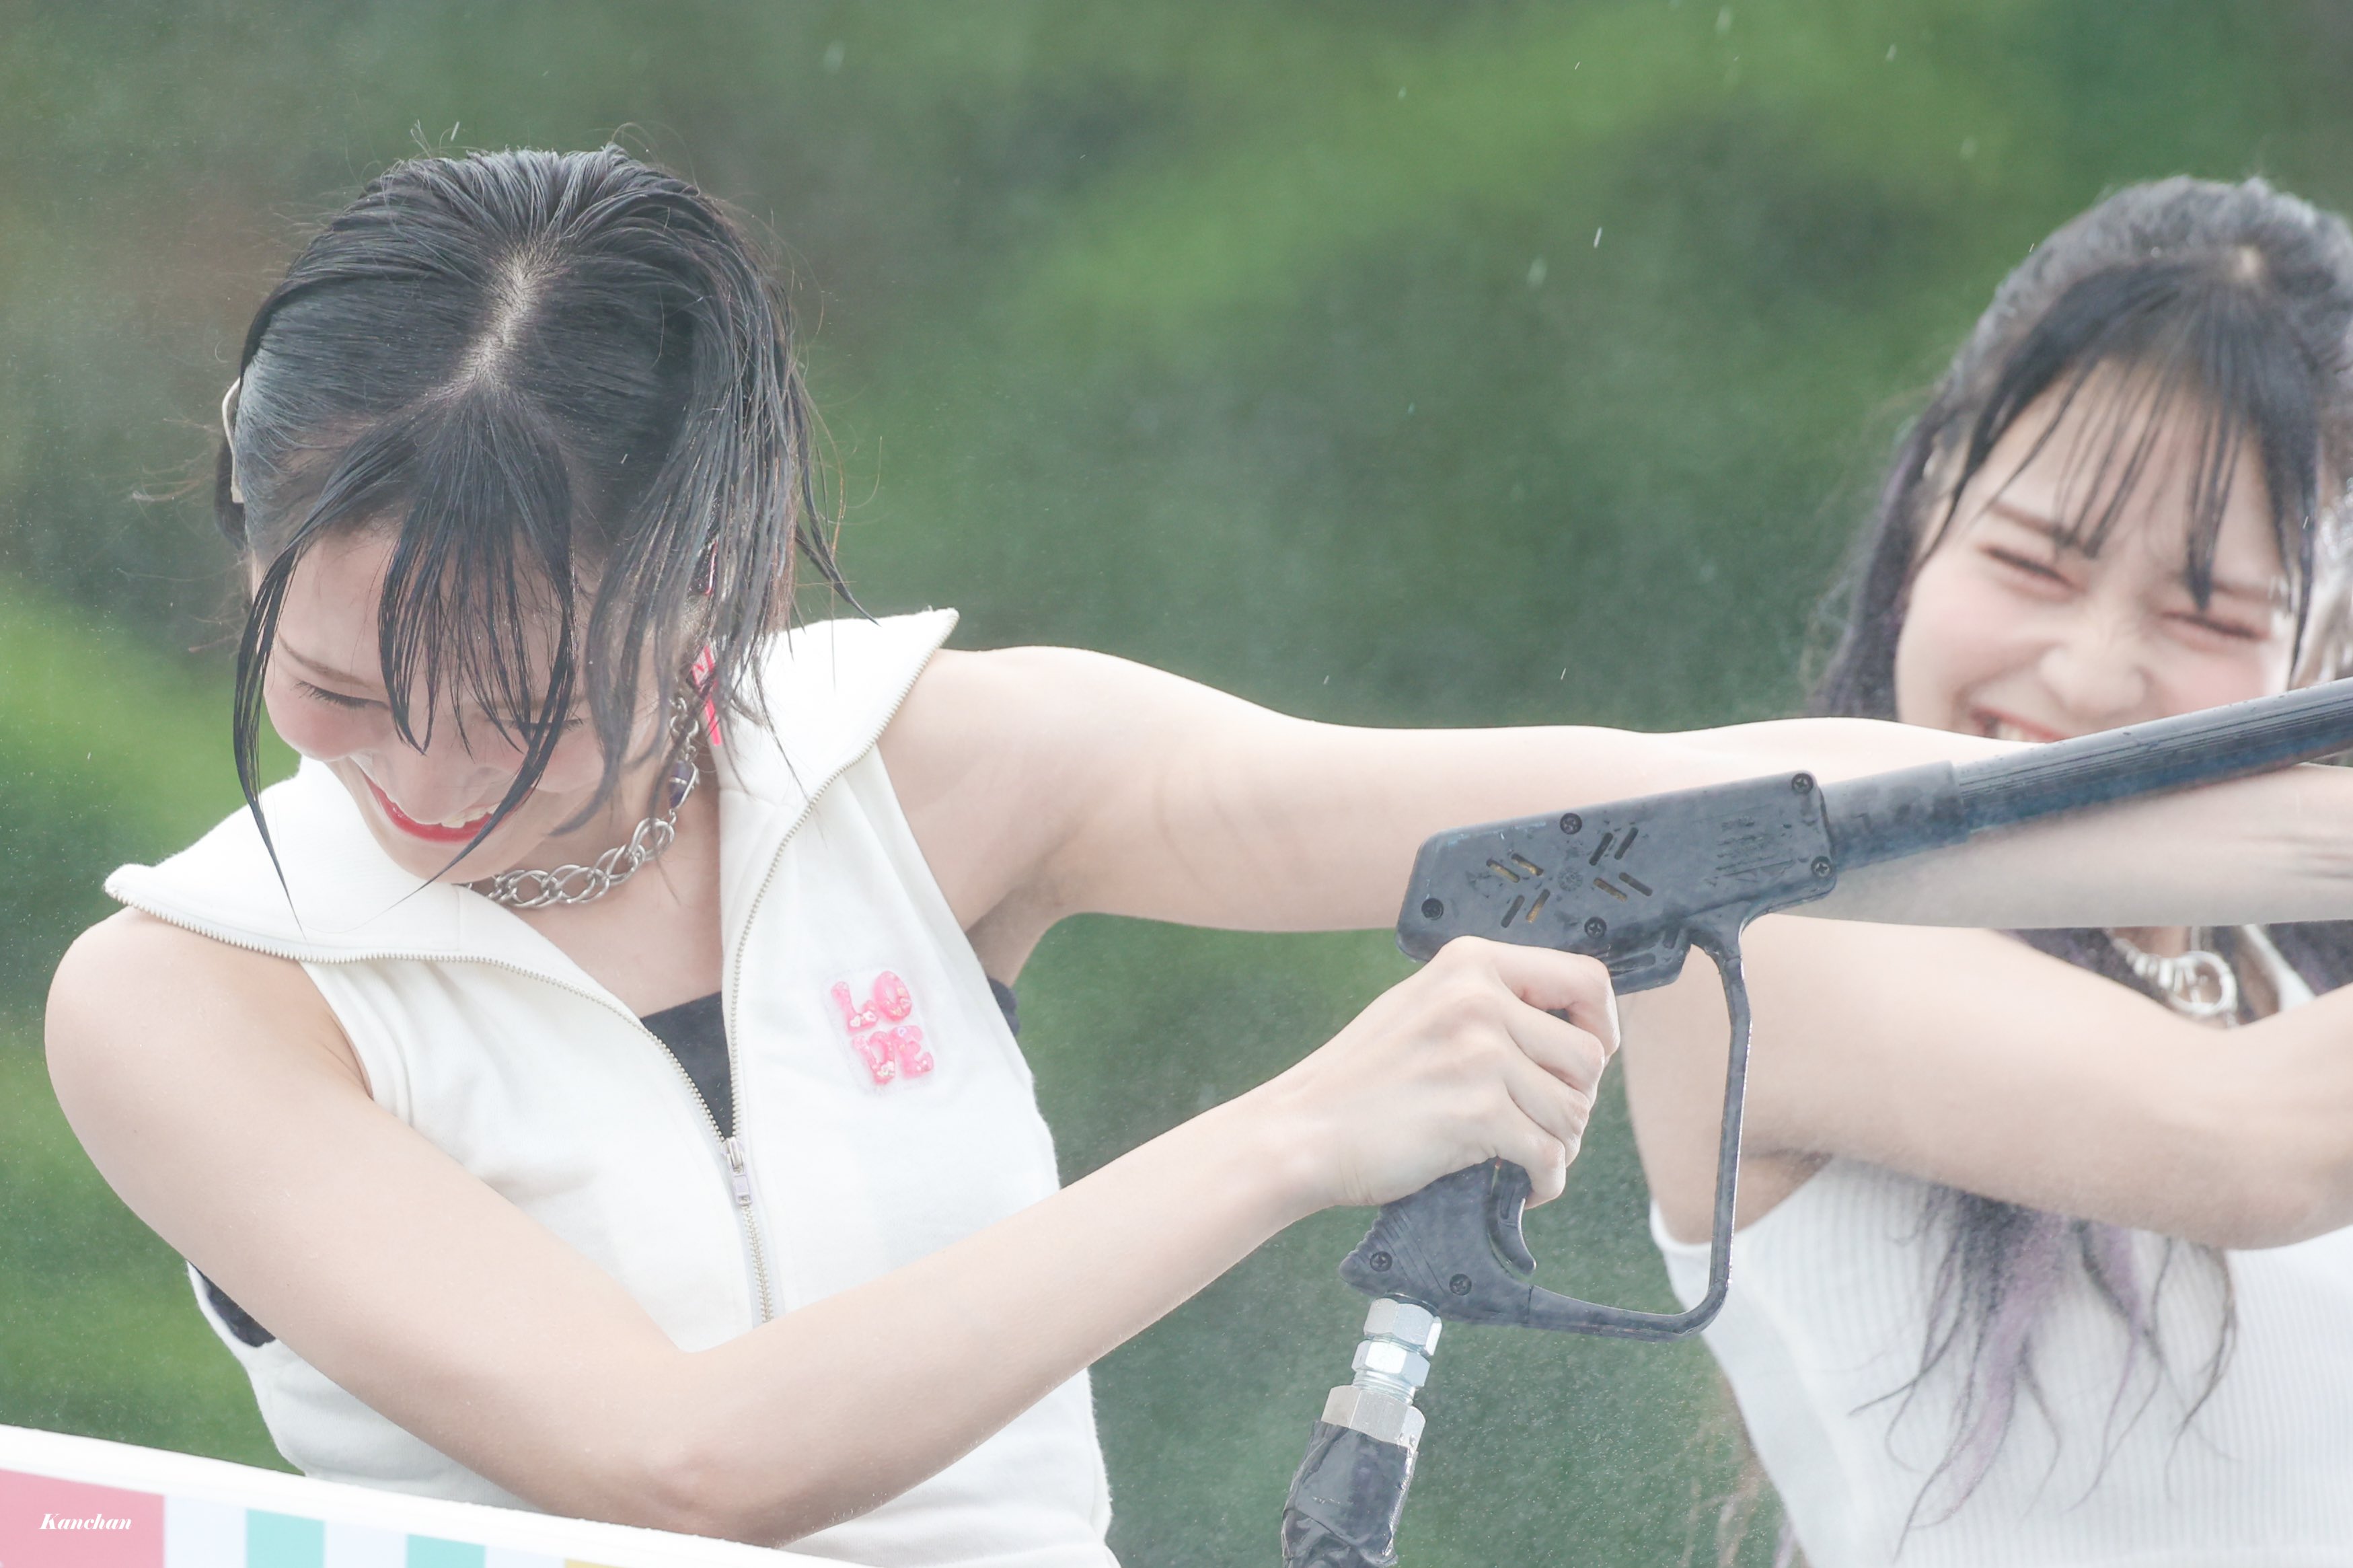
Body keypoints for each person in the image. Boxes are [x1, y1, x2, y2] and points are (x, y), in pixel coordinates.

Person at [39, 151, 2353, 1567]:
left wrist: (2266, 798)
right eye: (335, 687)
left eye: (528, 702)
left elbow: (1671, 792)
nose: (432, 773)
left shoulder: (928, 766)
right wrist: (1296, 1135)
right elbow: (679, 1464)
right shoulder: (190, 993)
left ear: (715, 586)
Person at [1624, 176, 2353, 1565]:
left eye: (2208, 615)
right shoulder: (1763, 934)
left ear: (2327, 656)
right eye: (2032, 563)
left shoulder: (2294, 998)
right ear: (1922, 520)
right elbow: (2243, 1144)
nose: (2088, 673)